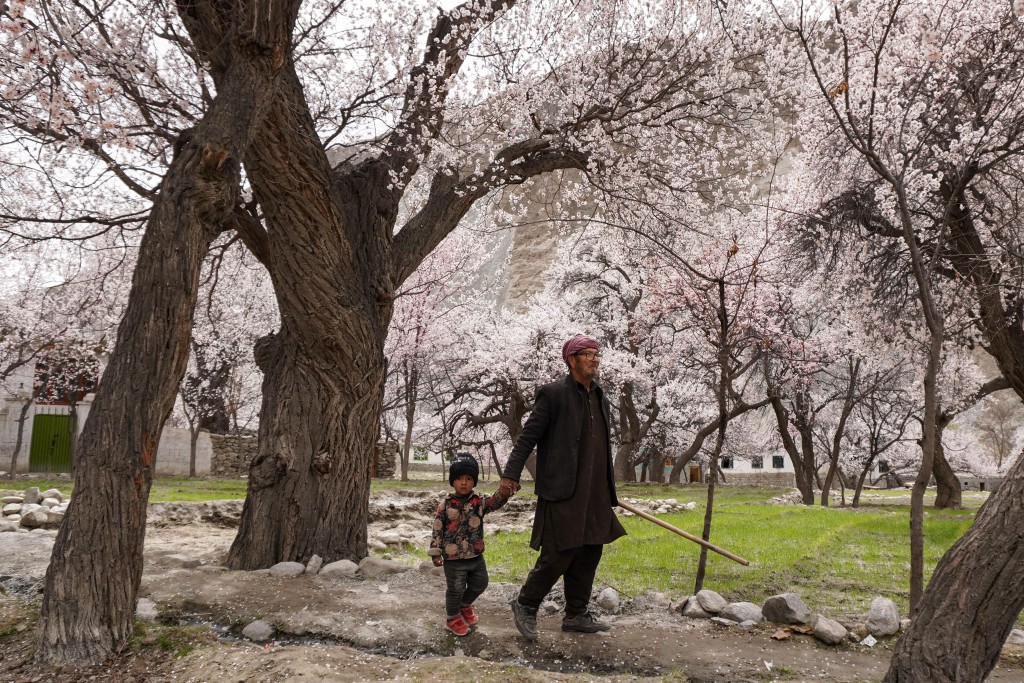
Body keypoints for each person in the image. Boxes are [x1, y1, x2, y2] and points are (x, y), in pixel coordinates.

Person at [498, 333, 626, 641]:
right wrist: (510, 475)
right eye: (588, 354)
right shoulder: (553, 394)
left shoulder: (599, 395)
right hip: (563, 490)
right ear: (571, 360)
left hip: (595, 491)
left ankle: (577, 614)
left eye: (597, 354)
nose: (595, 359)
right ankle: (526, 604)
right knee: (559, 553)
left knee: (590, 550)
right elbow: (527, 438)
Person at [428, 453, 509, 636]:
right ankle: (452, 618)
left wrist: (504, 493)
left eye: (468, 478)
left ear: (474, 482)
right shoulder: (446, 504)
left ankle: (465, 605)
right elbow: (437, 528)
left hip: (475, 555)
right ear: (452, 481)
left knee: (481, 582)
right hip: (453, 558)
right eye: (459, 478)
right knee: (455, 589)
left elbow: (494, 502)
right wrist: (435, 552)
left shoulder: (478, 502)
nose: (463, 483)